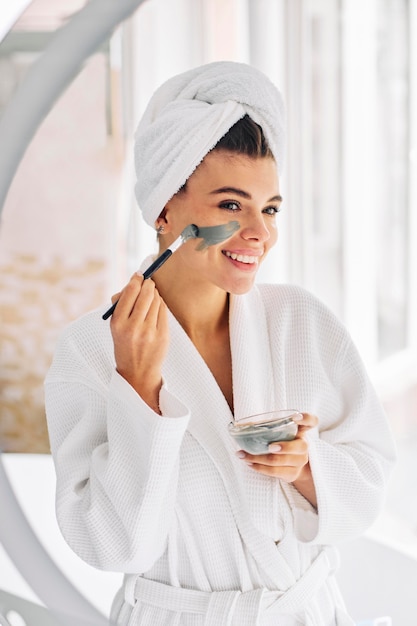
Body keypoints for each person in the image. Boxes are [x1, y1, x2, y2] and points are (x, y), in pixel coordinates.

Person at [45, 61, 396, 626]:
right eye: (231, 205)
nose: (260, 232)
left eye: (270, 208)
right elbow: (113, 546)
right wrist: (138, 388)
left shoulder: (300, 322)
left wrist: (307, 467)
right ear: (165, 209)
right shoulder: (90, 351)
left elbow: (371, 483)